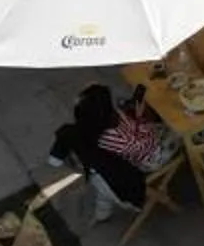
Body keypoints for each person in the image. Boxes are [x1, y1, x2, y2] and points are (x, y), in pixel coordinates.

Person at [47, 83, 170, 216]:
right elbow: (145, 146)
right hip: (149, 156)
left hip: (127, 149)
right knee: (179, 131)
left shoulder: (87, 128)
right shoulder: (118, 139)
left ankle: (102, 212)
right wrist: (141, 119)